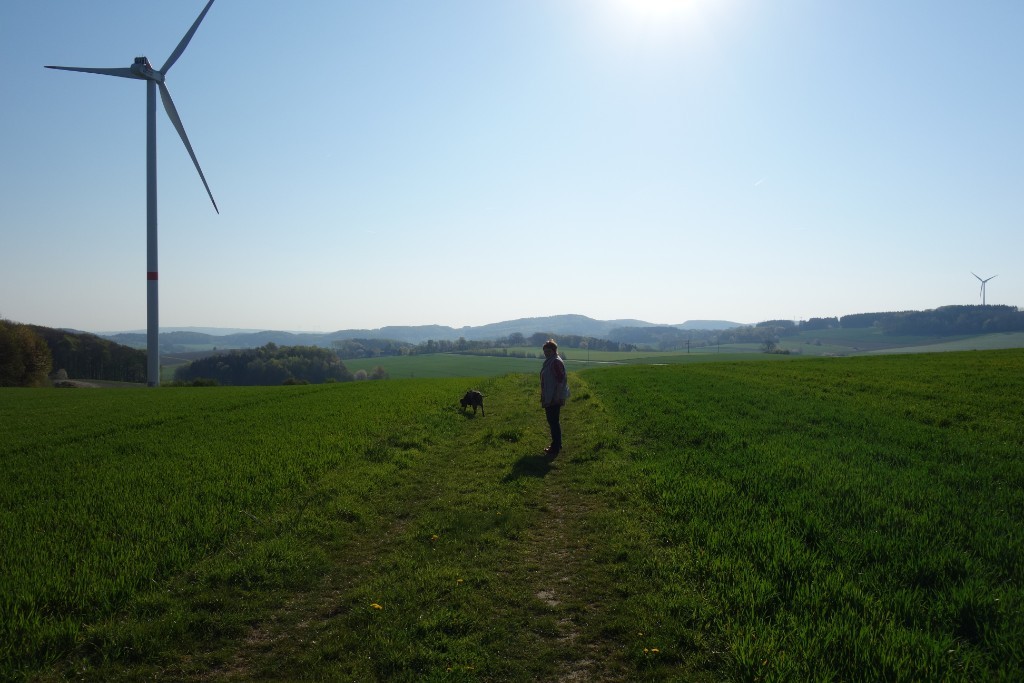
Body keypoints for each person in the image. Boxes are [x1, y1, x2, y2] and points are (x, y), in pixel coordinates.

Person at [539, 339, 568, 458]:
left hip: (554, 397)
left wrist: (556, 396)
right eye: (545, 351)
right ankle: (556, 444)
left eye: (548, 351)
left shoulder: (555, 362)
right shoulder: (551, 361)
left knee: (553, 421)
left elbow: (560, 380)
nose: (546, 353)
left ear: (554, 350)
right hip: (550, 395)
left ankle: (555, 447)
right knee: (553, 421)